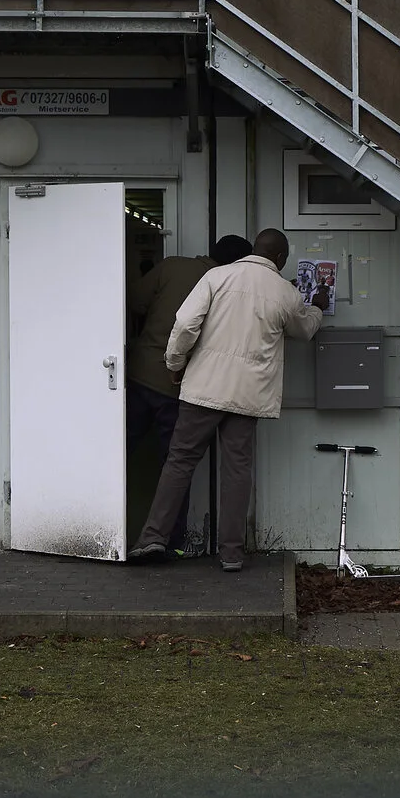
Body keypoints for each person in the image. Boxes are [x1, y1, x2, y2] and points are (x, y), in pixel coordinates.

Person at [134, 228, 328, 572]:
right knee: (237, 471)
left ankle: (154, 537)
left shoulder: (216, 276)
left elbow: (185, 323)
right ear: (280, 259)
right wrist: (318, 308)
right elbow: (305, 330)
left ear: (255, 249)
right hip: (247, 396)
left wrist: (174, 364)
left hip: (203, 390)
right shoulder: (284, 291)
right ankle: (231, 554)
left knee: (179, 462)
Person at [126, 234, 253, 467]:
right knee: (175, 464)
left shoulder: (172, 266)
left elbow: (135, 300)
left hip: (141, 373)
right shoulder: (231, 288)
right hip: (179, 386)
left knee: (120, 448)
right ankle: (171, 505)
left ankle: (101, 499)